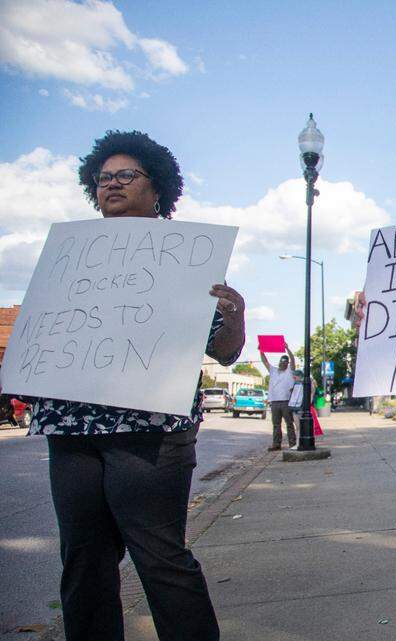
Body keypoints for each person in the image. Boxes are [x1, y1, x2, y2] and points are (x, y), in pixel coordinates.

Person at [0, 130, 245, 641]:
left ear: (157, 188)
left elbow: (223, 352)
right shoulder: (72, 255)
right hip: (74, 430)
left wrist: (235, 315)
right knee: (84, 559)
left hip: (151, 429)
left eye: (125, 175)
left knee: (160, 558)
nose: (111, 184)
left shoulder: (185, 256)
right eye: (103, 177)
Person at [260, 344, 296, 450]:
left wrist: (287, 348)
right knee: (276, 425)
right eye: (282, 361)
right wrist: (261, 351)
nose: (283, 363)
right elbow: (265, 361)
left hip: (286, 402)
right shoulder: (273, 370)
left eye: (285, 362)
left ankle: (292, 444)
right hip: (274, 402)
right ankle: (276, 444)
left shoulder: (290, 371)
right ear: (279, 362)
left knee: (289, 424)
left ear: (287, 364)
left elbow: (293, 359)